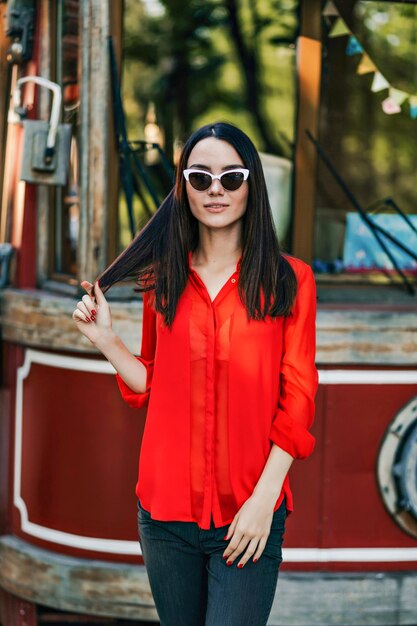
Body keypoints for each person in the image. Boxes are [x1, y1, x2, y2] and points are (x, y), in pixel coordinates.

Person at [72, 122, 318, 626]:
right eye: (200, 177)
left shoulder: (290, 280)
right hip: (164, 517)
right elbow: (152, 383)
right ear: (183, 186)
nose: (216, 190)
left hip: (249, 514)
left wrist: (264, 502)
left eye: (231, 176)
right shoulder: (162, 277)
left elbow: (298, 398)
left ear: (252, 184)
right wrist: (105, 340)